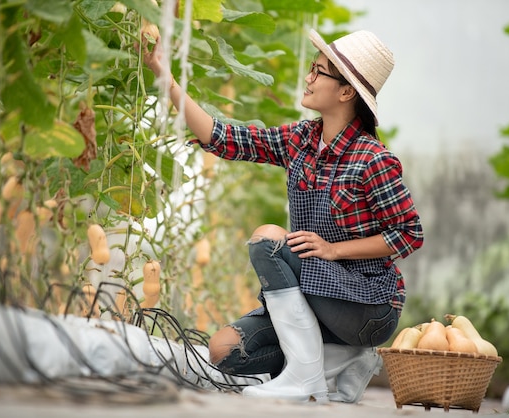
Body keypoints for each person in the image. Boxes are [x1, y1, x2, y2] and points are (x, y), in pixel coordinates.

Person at [141, 28, 423, 404]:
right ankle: (344, 360)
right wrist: (165, 76)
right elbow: (227, 138)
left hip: (367, 306)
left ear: (346, 91)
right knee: (224, 351)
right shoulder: (300, 140)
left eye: (319, 71)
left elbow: (409, 233)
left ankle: (307, 375)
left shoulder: (373, 159)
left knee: (268, 239)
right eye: (312, 68)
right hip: (316, 295)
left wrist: (334, 250)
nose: (308, 77)